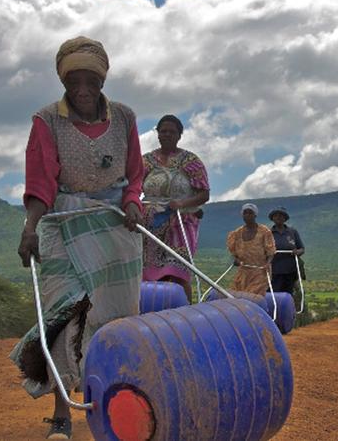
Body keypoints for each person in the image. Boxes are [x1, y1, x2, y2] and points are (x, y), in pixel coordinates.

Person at [11, 36, 144, 440]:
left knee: (114, 321)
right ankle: (62, 414)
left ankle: (114, 405)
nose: (83, 90)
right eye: (74, 82)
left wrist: (133, 202)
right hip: (63, 224)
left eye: (91, 81)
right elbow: (40, 181)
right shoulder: (47, 120)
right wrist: (30, 228)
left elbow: (134, 173)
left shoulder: (124, 116)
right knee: (66, 313)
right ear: (64, 81)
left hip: (113, 227)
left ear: (103, 80)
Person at [141, 115, 210, 302]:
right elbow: (133, 188)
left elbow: (204, 193)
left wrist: (181, 203)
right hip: (150, 224)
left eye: (172, 132)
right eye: (163, 131)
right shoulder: (146, 161)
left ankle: (184, 312)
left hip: (181, 221)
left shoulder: (190, 161)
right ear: (157, 134)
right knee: (150, 273)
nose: (167, 135)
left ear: (180, 135)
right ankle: (152, 312)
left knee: (177, 271)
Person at [226, 203, 276, 296]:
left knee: (252, 295)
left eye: (250, 213)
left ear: (255, 215)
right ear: (242, 215)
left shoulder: (264, 231)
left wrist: (268, 263)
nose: (247, 215)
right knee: (237, 294)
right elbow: (234, 254)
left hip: (260, 271)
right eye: (245, 213)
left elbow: (271, 252)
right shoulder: (237, 233)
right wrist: (236, 260)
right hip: (243, 271)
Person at [269, 206, 305, 295]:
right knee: (275, 294)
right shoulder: (268, 233)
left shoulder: (292, 232)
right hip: (274, 272)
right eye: (276, 215)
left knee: (288, 295)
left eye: (281, 215)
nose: (278, 217)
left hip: (291, 271)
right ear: (272, 218)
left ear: (285, 218)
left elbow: (302, 248)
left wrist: (297, 252)